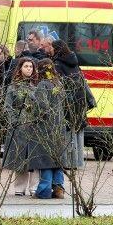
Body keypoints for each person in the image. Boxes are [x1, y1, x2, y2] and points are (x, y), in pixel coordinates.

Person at [31, 59, 70, 199]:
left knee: (46, 159)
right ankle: (59, 188)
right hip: (59, 126)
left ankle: (44, 191)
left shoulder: (42, 85)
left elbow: (42, 107)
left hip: (46, 127)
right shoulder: (58, 84)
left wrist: (34, 115)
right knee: (57, 159)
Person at [3, 58, 39, 196]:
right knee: (20, 156)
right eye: (26, 66)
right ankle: (19, 187)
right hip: (19, 126)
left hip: (34, 124)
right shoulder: (13, 87)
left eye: (31, 66)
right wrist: (15, 121)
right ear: (20, 68)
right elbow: (8, 106)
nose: (29, 69)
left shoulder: (36, 87)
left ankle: (34, 187)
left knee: (35, 156)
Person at [51, 39, 88, 171]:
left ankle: (67, 162)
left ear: (56, 49)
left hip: (67, 101)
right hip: (79, 101)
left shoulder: (58, 64)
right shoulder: (74, 61)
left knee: (67, 132)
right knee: (77, 131)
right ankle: (76, 162)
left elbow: (59, 85)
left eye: (52, 47)